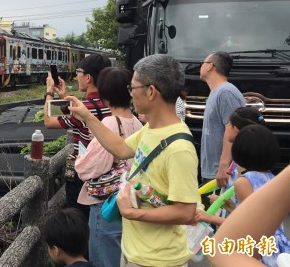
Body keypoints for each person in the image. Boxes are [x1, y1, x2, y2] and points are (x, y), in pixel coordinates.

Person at [65, 54, 198, 267]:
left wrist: (132, 213)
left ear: (151, 92)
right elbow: (121, 148)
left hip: (158, 259)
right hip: (135, 251)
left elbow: (185, 211)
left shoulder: (179, 148)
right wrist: (87, 117)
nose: (130, 94)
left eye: (133, 88)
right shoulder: (151, 129)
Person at [75, 67, 143, 267]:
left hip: (107, 205)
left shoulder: (110, 123)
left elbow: (88, 168)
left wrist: (81, 159)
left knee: (104, 259)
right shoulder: (137, 123)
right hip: (130, 200)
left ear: (104, 96)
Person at [208, 125, 290, 267]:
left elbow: (251, 228)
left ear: (239, 152)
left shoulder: (244, 182)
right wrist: (233, 209)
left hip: (259, 248)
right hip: (278, 245)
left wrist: (207, 217)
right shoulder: (272, 178)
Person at [44, 54, 112, 217]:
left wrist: (49, 91)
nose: (76, 76)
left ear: (88, 77)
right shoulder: (108, 103)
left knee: (79, 218)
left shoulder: (84, 108)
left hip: (83, 176)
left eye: (78, 72)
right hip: (104, 172)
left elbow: (48, 121)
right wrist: (63, 96)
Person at [200, 51, 245, 189]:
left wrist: (224, 167)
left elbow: (233, 129)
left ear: (210, 66)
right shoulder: (216, 92)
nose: (200, 67)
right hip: (212, 170)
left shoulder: (226, 92)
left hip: (222, 174)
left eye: (203, 63)